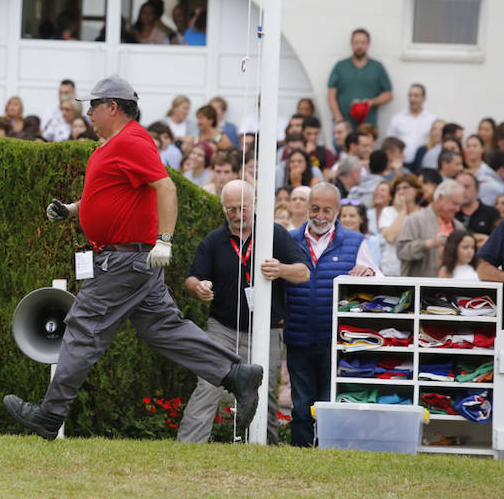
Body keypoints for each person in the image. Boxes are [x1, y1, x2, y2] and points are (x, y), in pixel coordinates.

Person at [3, 74, 262, 441]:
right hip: (132, 260)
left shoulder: (132, 139)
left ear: (113, 107)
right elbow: (112, 197)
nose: (88, 113)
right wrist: (72, 210)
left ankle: (50, 414)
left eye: (93, 106)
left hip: (124, 260)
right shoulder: (115, 145)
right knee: (163, 329)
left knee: (81, 328)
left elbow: (165, 187)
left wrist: (165, 241)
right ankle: (236, 374)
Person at [177, 180, 309, 444]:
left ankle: (266, 449)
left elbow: (303, 273)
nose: (238, 215)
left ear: (254, 204)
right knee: (207, 385)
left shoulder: (275, 234)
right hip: (222, 329)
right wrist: (199, 287)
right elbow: (191, 280)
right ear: (223, 209)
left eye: (244, 208)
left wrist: (281, 269)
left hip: (267, 330)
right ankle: (188, 446)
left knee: (266, 393)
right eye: (231, 210)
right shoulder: (214, 241)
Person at [285, 182, 379, 447]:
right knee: (301, 405)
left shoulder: (355, 241)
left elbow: (378, 277)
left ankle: (330, 451)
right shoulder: (289, 240)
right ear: (306, 208)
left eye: (327, 210)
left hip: (336, 340)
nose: (320, 216)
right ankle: (300, 454)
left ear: (337, 210)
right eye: (315, 208)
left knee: (330, 402)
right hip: (298, 336)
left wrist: (368, 273)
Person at [396, 179, 466, 277]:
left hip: (449, 287)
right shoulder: (415, 220)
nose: (458, 209)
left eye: (460, 205)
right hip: (419, 288)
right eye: (454, 203)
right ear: (441, 198)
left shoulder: (459, 227)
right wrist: (429, 244)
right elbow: (401, 251)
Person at [327, 28, 393, 127]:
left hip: (368, 126)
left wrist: (371, 102)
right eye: (356, 42)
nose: (359, 46)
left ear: (368, 44)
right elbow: (331, 96)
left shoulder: (377, 67)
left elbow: (389, 94)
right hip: (345, 124)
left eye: (363, 42)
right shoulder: (340, 66)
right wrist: (338, 118)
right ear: (351, 44)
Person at [385, 84, 436, 166]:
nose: (412, 99)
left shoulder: (431, 120)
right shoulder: (397, 118)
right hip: (400, 164)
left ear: (424, 98)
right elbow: (389, 141)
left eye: (416, 96)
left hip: (422, 164)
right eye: (410, 95)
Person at [455, 171, 500, 246]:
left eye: (466, 186)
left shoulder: (492, 213)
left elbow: (499, 240)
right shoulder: (452, 213)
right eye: (458, 187)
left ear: (477, 189)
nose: (462, 190)